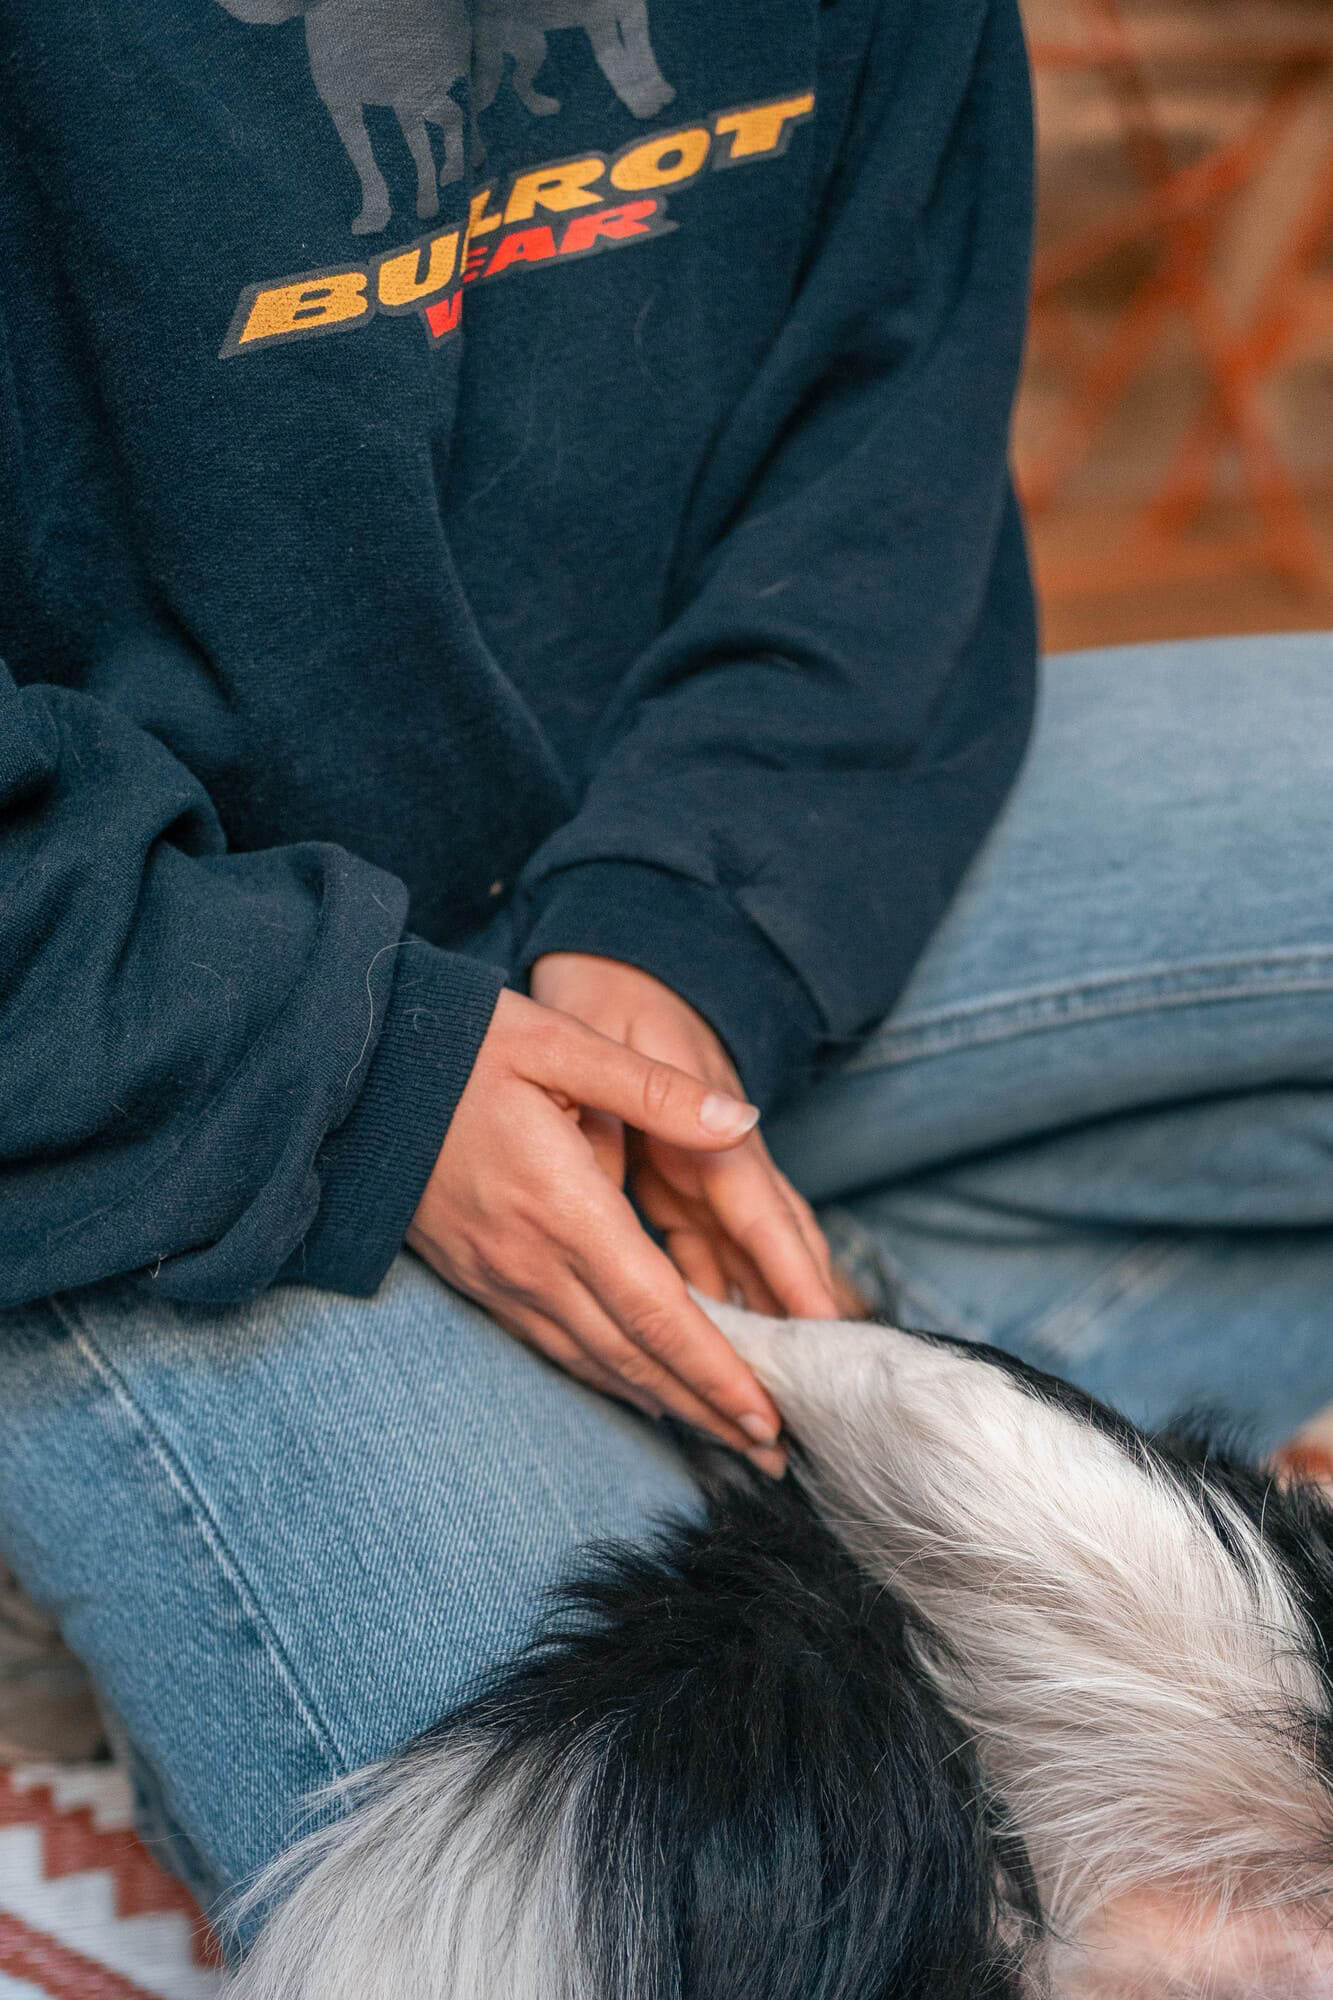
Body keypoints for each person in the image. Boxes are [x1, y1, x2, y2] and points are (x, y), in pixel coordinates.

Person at [2, 0, 1331, 1954]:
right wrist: (365, 1072)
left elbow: (876, 453)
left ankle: (722, 1377)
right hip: (123, 1052)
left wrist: (684, 933)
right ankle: (758, 1416)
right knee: (618, 1888)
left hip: (639, 863)